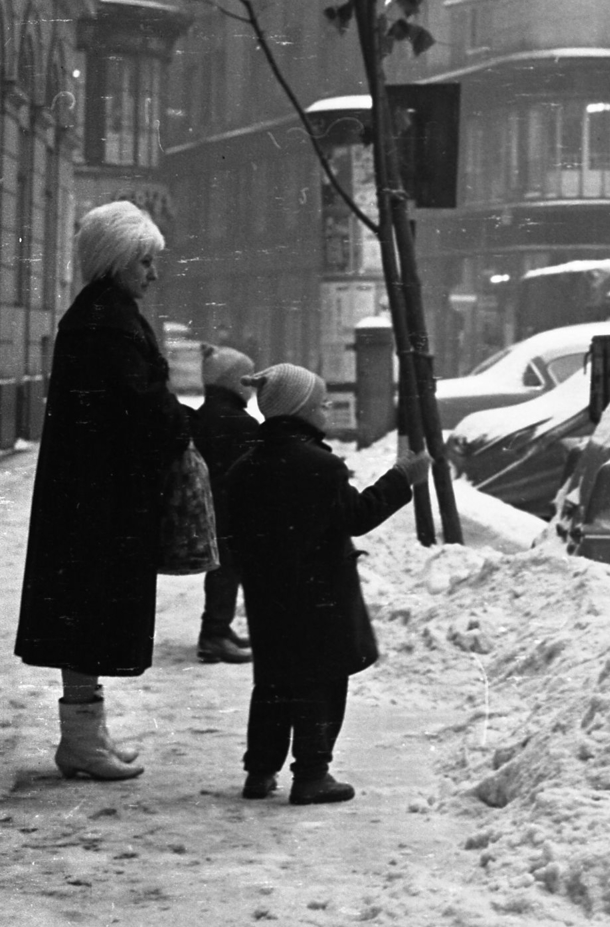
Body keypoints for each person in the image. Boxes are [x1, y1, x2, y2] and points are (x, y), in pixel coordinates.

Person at [15, 200, 194, 781]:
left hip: (90, 494)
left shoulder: (100, 313)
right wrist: (189, 422)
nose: (153, 273)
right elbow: (139, 408)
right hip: (97, 500)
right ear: (117, 261)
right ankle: (81, 743)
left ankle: (87, 737)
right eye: (144, 260)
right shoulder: (108, 321)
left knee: (83, 613)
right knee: (86, 613)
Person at [224, 363, 429, 805]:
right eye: (321, 402)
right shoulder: (319, 465)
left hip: (267, 597)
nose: (328, 408)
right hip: (320, 596)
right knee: (323, 680)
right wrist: (400, 479)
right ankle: (312, 774)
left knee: (274, 681)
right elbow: (356, 517)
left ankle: (259, 773)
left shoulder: (245, 465)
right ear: (299, 409)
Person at [190, 345, 260, 664]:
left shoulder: (209, 414)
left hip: (213, 509)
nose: (251, 387)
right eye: (246, 379)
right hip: (229, 512)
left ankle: (218, 628)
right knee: (226, 571)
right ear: (233, 382)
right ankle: (214, 635)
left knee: (223, 570)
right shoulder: (237, 422)